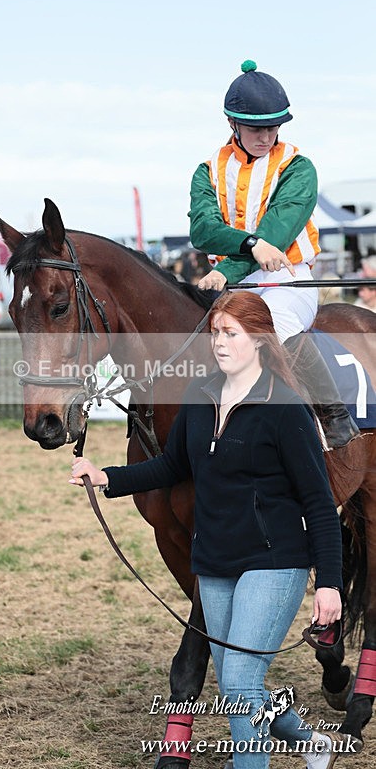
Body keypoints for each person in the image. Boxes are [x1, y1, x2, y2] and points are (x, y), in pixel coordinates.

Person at [70, 291, 346, 769]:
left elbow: (320, 504)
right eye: (215, 332)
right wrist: (106, 477)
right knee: (240, 680)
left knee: (238, 680)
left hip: (274, 562)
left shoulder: (285, 408)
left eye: (231, 334)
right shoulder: (198, 397)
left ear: (259, 340)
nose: (219, 343)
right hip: (214, 563)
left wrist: (329, 584)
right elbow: (173, 465)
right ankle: (308, 742)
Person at [188, 59, 358, 450]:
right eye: (255, 128)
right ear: (233, 124)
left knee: (268, 333)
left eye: (273, 127)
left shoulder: (298, 167)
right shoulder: (207, 170)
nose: (266, 136)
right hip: (231, 283)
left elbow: (276, 234)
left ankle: (334, 418)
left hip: (287, 280)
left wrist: (230, 265)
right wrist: (247, 247)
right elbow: (202, 229)